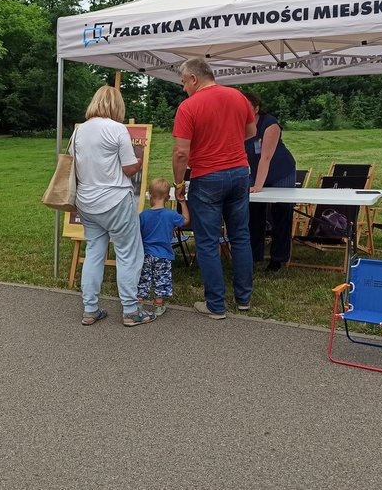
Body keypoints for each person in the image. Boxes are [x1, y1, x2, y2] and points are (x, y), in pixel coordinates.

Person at [172, 58, 256, 320]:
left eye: (184, 82)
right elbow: (251, 131)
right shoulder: (238, 96)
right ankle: (244, 299)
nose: (184, 88)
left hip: (207, 176)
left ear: (194, 79)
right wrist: (226, 141)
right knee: (240, 236)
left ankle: (216, 305)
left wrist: (178, 184)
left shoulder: (188, 107)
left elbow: (180, 152)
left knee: (207, 242)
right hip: (240, 172)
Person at [70, 85, 155, 328]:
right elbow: (128, 168)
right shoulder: (118, 129)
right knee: (128, 253)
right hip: (116, 199)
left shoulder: (79, 131)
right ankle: (130, 310)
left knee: (95, 252)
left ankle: (90, 308)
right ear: (117, 105)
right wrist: (137, 164)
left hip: (86, 201)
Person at [243, 92, 297, 272]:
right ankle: (253, 256)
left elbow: (265, 157)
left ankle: (278, 258)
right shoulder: (239, 126)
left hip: (281, 172)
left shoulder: (270, 124)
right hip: (257, 172)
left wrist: (258, 186)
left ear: (256, 108)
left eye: (246, 107)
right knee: (253, 212)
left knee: (281, 212)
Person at [136, 177, 191, 316]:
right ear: (167, 197)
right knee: (161, 279)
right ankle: (158, 305)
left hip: (146, 253)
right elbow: (186, 220)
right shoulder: (171, 215)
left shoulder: (143, 215)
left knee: (143, 278)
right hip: (163, 254)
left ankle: (139, 303)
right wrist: (183, 202)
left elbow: (137, 233)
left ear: (150, 195)